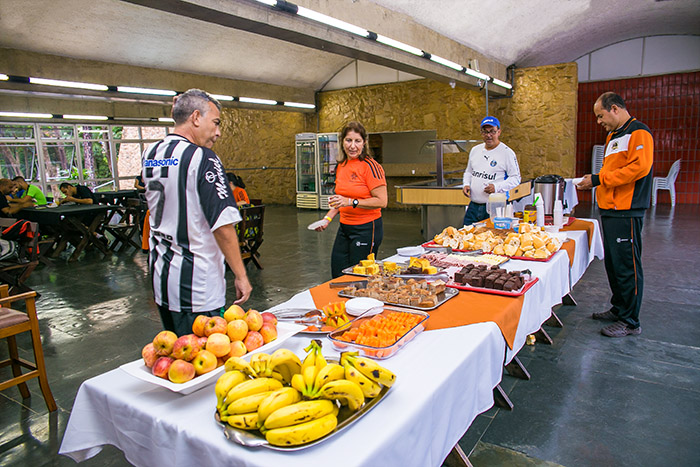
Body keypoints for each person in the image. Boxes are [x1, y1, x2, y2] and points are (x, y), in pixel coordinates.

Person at [142, 88, 252, 336]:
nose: (218, 132)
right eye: (215, 122)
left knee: (175, 349)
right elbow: (222, 225)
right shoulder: (203, 158)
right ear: (195, 118)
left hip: (162, 278)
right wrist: (241, 275)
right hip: (197, 286)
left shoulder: (151, 154)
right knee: (205, 353)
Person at [577, 92, 653, 338]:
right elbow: (612, 170)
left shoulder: (638, 132)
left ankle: (630, 321)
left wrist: (598, 180)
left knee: (627, 266)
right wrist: (596, 181)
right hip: (610, 209)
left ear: (615, 109)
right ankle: (619, 308)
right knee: (614, 264)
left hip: (626, 210)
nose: (599, 121)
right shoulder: (613, 136)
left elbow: (638, 168)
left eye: (601, 116)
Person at [315, 121, 387, 278]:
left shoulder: (371, 166)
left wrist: (351, 202)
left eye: (357, 141)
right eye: (348, 140)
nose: (352, 146)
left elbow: (382, 201)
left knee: (359, 277)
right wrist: (327, 219)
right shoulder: (342, 165)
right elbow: (339, 200)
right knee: (338, 274)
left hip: (366, 229)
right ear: (342, 141)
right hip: (345, 228)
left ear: (364, 143)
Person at [462, 116, 521, 225]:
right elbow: (469, 172)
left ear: (499, 132)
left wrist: (496, 187)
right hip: (473, 206)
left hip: (496, 207)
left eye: (492, 131)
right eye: (485, 132)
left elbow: (516, 178)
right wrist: (466, 184)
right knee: (467, 233)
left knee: (494, 234)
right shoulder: (475, 150)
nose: (488, 135)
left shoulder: (507, 153)